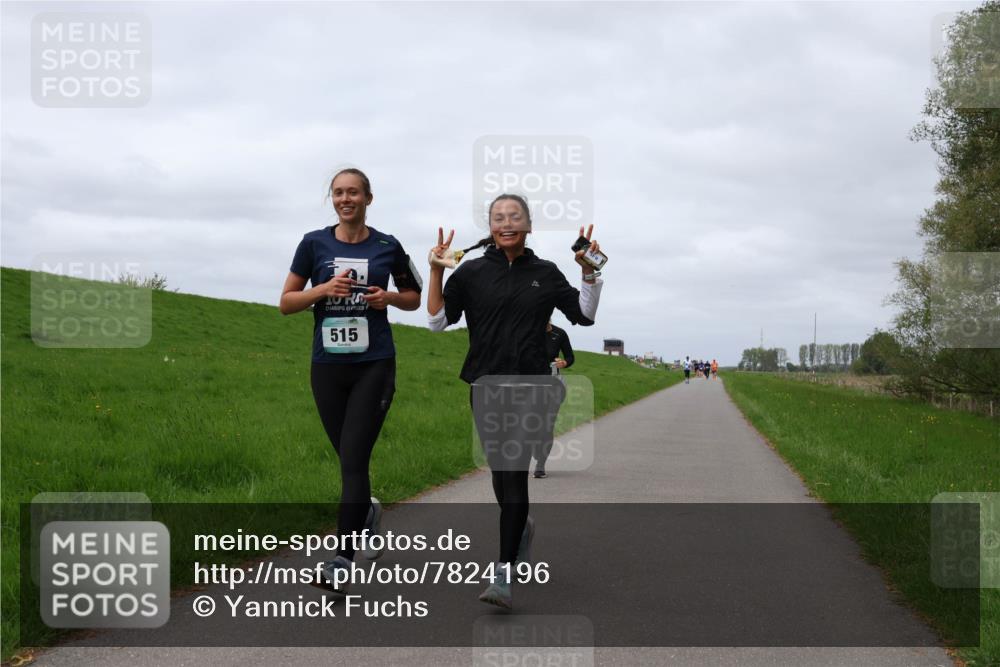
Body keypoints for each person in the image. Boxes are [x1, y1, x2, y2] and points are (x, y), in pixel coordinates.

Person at [426, 194, 603, 609]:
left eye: (515, 217)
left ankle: (503, 573)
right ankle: (520, 529)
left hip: (532, 386)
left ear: (528, 226)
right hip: (485, 385)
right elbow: (436, 321)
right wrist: (435, 271)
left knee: (513, 471)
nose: (507, 223)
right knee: (499, 474)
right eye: (498, 218)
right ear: (490, 227)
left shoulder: (545, 272)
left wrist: (590, 273)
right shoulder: (469, 272)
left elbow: (584, 314)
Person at [280, 168, 422, 592]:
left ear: (368, 198)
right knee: (347, 458)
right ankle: (368, 514)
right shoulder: (313, 243)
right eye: (339, 193)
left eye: (354, 192)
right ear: (333, 199)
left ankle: (342, 559)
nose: (346, 199)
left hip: (374, 364)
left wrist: (389, 298)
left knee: (354, 460)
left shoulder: (387, 245)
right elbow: (286, 302)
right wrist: (322, 291)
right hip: (327, 366)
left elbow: (413, 298)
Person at [533, 321, 574, 478]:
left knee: (547, 426)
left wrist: (564, 363)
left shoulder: (560, 334)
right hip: (532, 386)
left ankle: (540, 465)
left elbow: (570, 357)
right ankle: (537, 448)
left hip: (554, 386)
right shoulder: (527, 330)